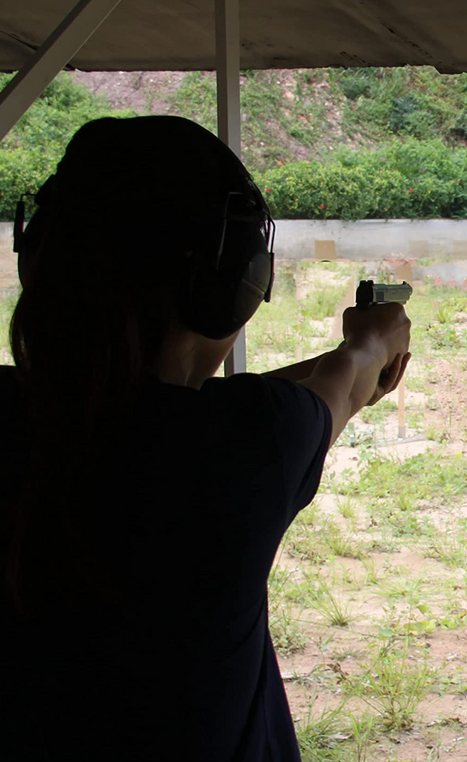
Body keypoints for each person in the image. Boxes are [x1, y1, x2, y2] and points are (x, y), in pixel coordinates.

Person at [0, 115, 411, 761]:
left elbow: (153, 408)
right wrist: (373, 339)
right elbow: (346, 379)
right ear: (233, 280)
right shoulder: (248, 445)